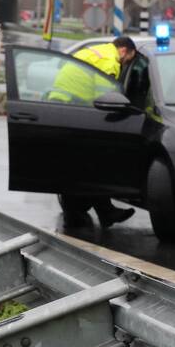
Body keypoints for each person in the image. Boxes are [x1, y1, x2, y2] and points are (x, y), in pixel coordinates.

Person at [54, 36, 139, 229]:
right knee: (91, 163)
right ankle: (104, 212)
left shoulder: (94, 51)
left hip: (60, 104)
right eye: (129, 60)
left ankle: (89, 211)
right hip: (75, 108)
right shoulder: (110, 63)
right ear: (124, 51)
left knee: (77, 165)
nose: (126, 64)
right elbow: (108, 99)